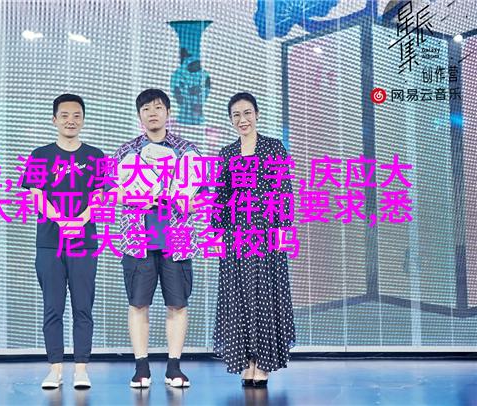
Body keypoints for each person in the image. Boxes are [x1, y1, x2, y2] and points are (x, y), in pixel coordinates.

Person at [108, 89, 205, 388]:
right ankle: (141, 368)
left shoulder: (187, 151)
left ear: (168, 113)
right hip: (138, 240)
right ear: (139, 115)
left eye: (158, 107)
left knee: (177, 305)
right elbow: (109, 192)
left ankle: (174, 367)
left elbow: (202, 196)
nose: (152, 113)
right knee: (138, 305)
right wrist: (136, 197)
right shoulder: (126, 152)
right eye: (146, 109)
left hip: (177, 240)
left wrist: (182, 201)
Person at [212, 92, 296, 387]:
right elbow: (220, 198)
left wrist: (283, 230)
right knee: (239, 297)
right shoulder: (226, 153)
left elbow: (283, 191)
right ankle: (246, 361)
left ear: (257, 114)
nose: (242, 119)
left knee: (264, 295)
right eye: (236, 115)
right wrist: (217, 235)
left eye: (247, 113)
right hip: (235, 234)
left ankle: (263, 362)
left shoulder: (273, 147)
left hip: (267, 231)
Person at [21, 94, 104, 390]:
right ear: (54, 119)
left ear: (83, 120)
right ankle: (54, 370)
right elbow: (36, 195)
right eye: (65, 115)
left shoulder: (95, 155)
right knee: (52, 308)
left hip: (84, 243)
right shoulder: (40, 155)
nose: (71, 120)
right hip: (49, 243)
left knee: (83, 307)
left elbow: (99, 195)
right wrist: (60, 220)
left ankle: (81, 369)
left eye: (77, 115)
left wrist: (80, 220)